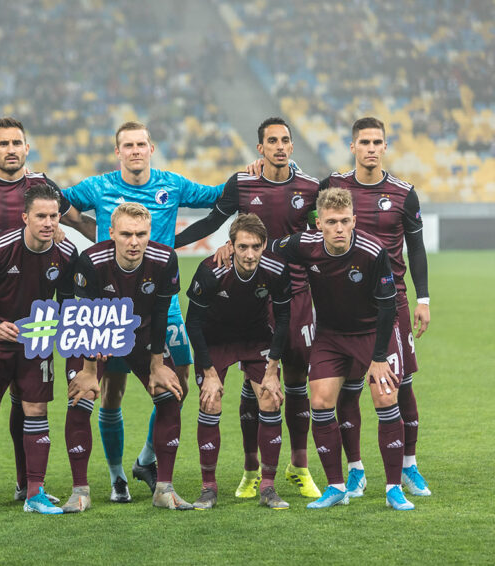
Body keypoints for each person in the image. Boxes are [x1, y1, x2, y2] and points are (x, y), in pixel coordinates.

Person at [61, 120, 222, 502]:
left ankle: (148, 460)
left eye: (141, 144)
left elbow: (219, 197)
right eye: (127, 145)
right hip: (107, 310)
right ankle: (116, 477)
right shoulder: (98, 189)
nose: (135, 150)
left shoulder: (172, 187)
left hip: (157, 307)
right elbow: (56, 200)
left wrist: (254, 174)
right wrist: (87, 226)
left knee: (175, 382)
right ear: (118, 152)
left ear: (151, 148)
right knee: (108, 390)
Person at [175, 117, 321, 500]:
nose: (279, 146)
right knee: (253, 384)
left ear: (292, 146)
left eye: (285, 140)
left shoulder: (309, 187)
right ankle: (251, 470)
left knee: (294, 380)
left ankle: (300, 466)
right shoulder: (242, 182)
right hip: (251, 296)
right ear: (260, 148)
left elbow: (321, 232)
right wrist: (168, 242)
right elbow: (211, 221)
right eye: (271, 140)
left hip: (297, 294)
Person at [0, 116, 94, 504]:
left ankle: (30, 486)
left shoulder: (45, 188)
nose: (10, 149)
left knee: (31, 407)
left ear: (26, 147)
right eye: (2, 144)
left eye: (16, 143)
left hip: (34, 321)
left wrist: (114, 242)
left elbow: (77, 223)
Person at [270, 187, 414, 511]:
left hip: (373, 332)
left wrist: (378, 359)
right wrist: (232, 249)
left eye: (345, 221)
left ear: (354, 221)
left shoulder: (372, 251)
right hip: (331, 336)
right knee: (320, 401)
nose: (339, 228)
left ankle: (393, 489)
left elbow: (389, 305)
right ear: (318, 223)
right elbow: (270, 248)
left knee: (386, 396)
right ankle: (335, 486)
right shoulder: (304, 245)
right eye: (332, 221)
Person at [320, 117, 431, 498]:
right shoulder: (334, 186)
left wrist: (423, 299)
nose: (370, 147)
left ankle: (408, 467)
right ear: (352, 147)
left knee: (400, 387)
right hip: (343, 306)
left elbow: (416, 249)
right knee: (348, 391)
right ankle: (355, 470)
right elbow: (304, 222)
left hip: (393, 302)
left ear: (385, 147)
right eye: (363, 141)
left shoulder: (404, 193)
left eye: (377, 141)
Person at [63, 202, 192, 512]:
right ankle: (80, 490)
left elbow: (162, 311)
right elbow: (85, 315)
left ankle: (164, 488)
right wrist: (89, 370)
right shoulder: (91, 261)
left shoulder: (165, 259)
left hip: (142, 333)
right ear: (111, 233)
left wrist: (158, 365)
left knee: (170, 393)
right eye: (126, 234)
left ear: (149, 234)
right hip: (97, 329)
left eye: (141, 234)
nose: (134, 242)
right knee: (82, 395)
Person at [0, 184, 78, 517]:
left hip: (36, 340)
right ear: (25, 217)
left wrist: (57, 325)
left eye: (54, 216)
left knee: (37, 412)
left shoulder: (66, 255)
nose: (48, 222)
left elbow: (67, 300)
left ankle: (34, 493)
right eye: (40, 216)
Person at [185, 213, 291, 509]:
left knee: (271, 398)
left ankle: (268, 487)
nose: (249, 254)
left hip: (255, 337)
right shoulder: (209, 271)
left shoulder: (276, 269)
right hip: (215, 339)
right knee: (210, 401)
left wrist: (272, 369)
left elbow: (283, 318)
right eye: (242, 247)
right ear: (230, 246)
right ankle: (209, 488)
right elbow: (192, 323)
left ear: (264, 245)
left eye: (256, 247)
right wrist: (208, 371)